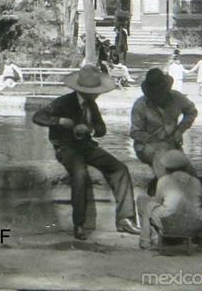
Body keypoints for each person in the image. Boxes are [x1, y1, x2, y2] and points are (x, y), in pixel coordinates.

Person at [33, 65, 140, 240]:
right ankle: (79, 224)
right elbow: (37, 117)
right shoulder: (63, 102)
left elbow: (102, 130)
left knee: (120, 169)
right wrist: (59, 121)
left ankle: (125, 219)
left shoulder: (92, 105)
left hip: (87, 147)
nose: (97, 94)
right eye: (94, 92)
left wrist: (89, 129)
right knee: (80, 173)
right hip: (65, 147)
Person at [137, 150, 202, 251]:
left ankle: (147, 240)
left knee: (144, 201)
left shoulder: (164, 180)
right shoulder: (196, 181)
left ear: (166, 168)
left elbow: (157, 202)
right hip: (196, 225)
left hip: (169, 225)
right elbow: (201, 202)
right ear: (185, 167)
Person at [130, 68, 198, 178]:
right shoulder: (140, 105)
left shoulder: (177, 97)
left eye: (161, 93)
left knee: (189, 172)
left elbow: (191, 111)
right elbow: (135, 132)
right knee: (162, 154)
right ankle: (165, 185)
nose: (158, 97)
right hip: (147, 147)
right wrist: (156, 141)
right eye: (155, 94)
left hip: (172, 145)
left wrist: (180, 130)